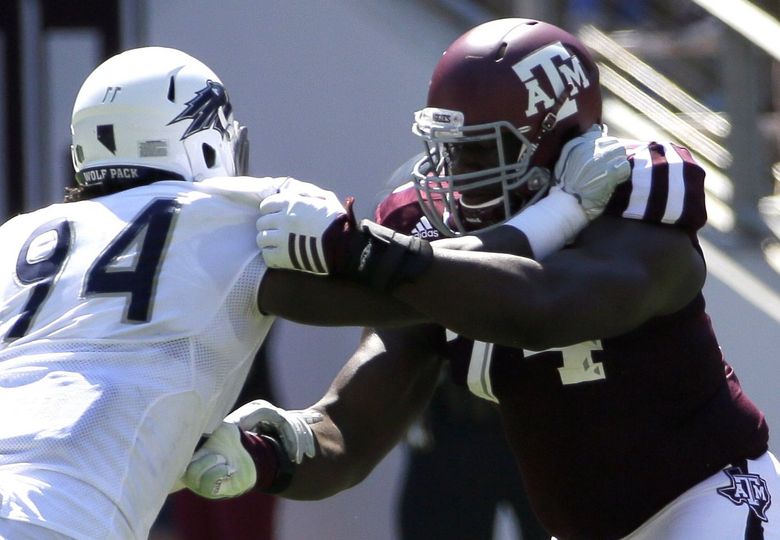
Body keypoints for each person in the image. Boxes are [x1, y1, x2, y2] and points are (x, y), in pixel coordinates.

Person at [183, 18, 779, 540]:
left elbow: (544, 302)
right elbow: (351, 433)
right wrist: (270, 452)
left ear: (561, 145)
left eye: (474, 153)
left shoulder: (635, 196)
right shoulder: (419, 236)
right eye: (442, 149)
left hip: (711, 499)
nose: (449, 175)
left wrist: (366, 252)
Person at [0, 46, 437, 539]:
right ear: (204, 140)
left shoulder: (16, 237)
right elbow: (416, 298)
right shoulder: (231, 212)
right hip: (58, 516)